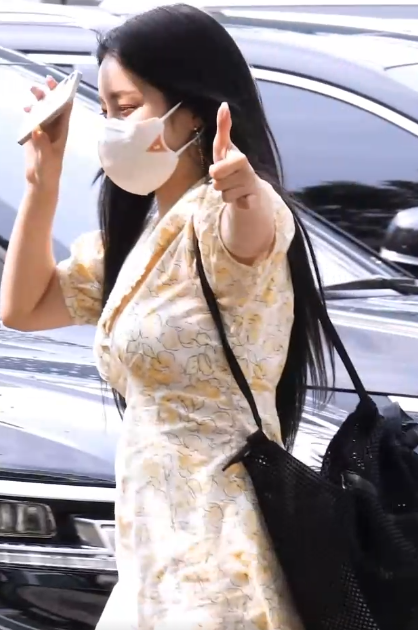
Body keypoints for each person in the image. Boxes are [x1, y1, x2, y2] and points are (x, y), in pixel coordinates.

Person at [0, 4, 334, 629]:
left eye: (127, 107)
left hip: (218, 563)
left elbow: (253, 233)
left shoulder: (225, 218)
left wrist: (244, 190)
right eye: (106, 109)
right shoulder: (143, 237)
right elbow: (22, 308)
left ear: (194, 112)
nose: (112, 126)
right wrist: (42, 183)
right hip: (152, 554)